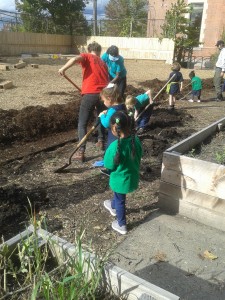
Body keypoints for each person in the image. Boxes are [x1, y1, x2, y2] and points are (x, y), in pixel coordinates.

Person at [58, 41, 109, 162]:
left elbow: (75, 59)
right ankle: (101, 141)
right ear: (99, 51)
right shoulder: (103, 63)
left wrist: (63, 68)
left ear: (89, 50)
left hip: (91, 94)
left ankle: (81, 152)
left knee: (82, 123)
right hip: (104, 95)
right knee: (101, 117)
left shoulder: (87, 56)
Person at [103, 110, 142, 235]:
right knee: (119, 197)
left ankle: (121, 224)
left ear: (114, 129)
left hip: (120, 180)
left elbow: (108, 165)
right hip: (132, 176)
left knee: (120, 200)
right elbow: (140, 154)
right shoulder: (135, 140)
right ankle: (112, 205)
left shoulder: (114, 147)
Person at [94, 83, 126, 173]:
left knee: (111, 151)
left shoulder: (112, 110)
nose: (103, 103)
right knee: (119, 150)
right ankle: (118, 166)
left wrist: (101, 116)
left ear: (109, 98)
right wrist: (108, 113)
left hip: (113, 135)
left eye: (104, 100)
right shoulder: (122, 106)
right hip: (122, 133)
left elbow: (106, 124)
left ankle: (110, 169)